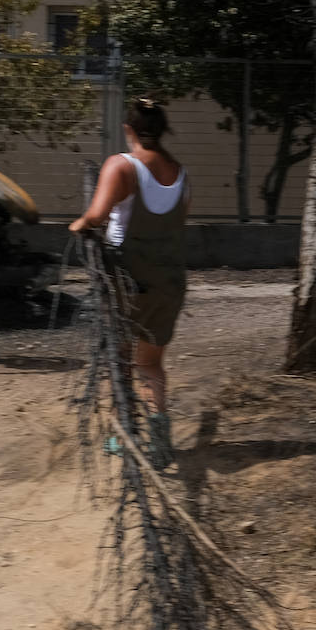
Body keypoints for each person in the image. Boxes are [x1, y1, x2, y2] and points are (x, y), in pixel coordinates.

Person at [68, 97, 189, 467]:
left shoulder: (121, 166)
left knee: (120, 357)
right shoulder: (179, 171)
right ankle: (160, 440)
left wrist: (79, 224)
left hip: (127, 275)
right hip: (168, 277)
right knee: (151, 362)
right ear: (162, 129)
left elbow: (97, 214)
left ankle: (126, 433)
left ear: (128, 130)